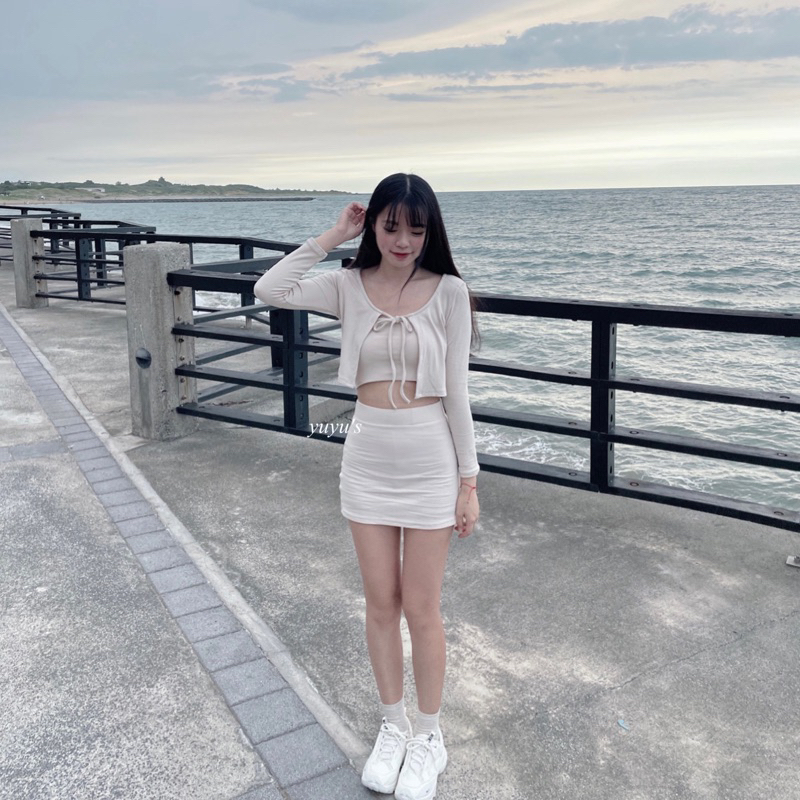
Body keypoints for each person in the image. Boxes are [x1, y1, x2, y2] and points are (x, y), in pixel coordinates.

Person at [253, 173, 480, 800]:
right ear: (373, 223)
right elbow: (270, 288)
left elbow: (458, 392)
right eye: (391, 226)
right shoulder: (347, 285)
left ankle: (429, 736)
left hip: (431, 459)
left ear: (431, 232)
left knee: (422, 607)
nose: (403, 240)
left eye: (416, 229)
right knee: (380, 603)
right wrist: (333, 235)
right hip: (368, 456)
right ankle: (393, 725)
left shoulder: (450, 292)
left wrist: (468, 481)